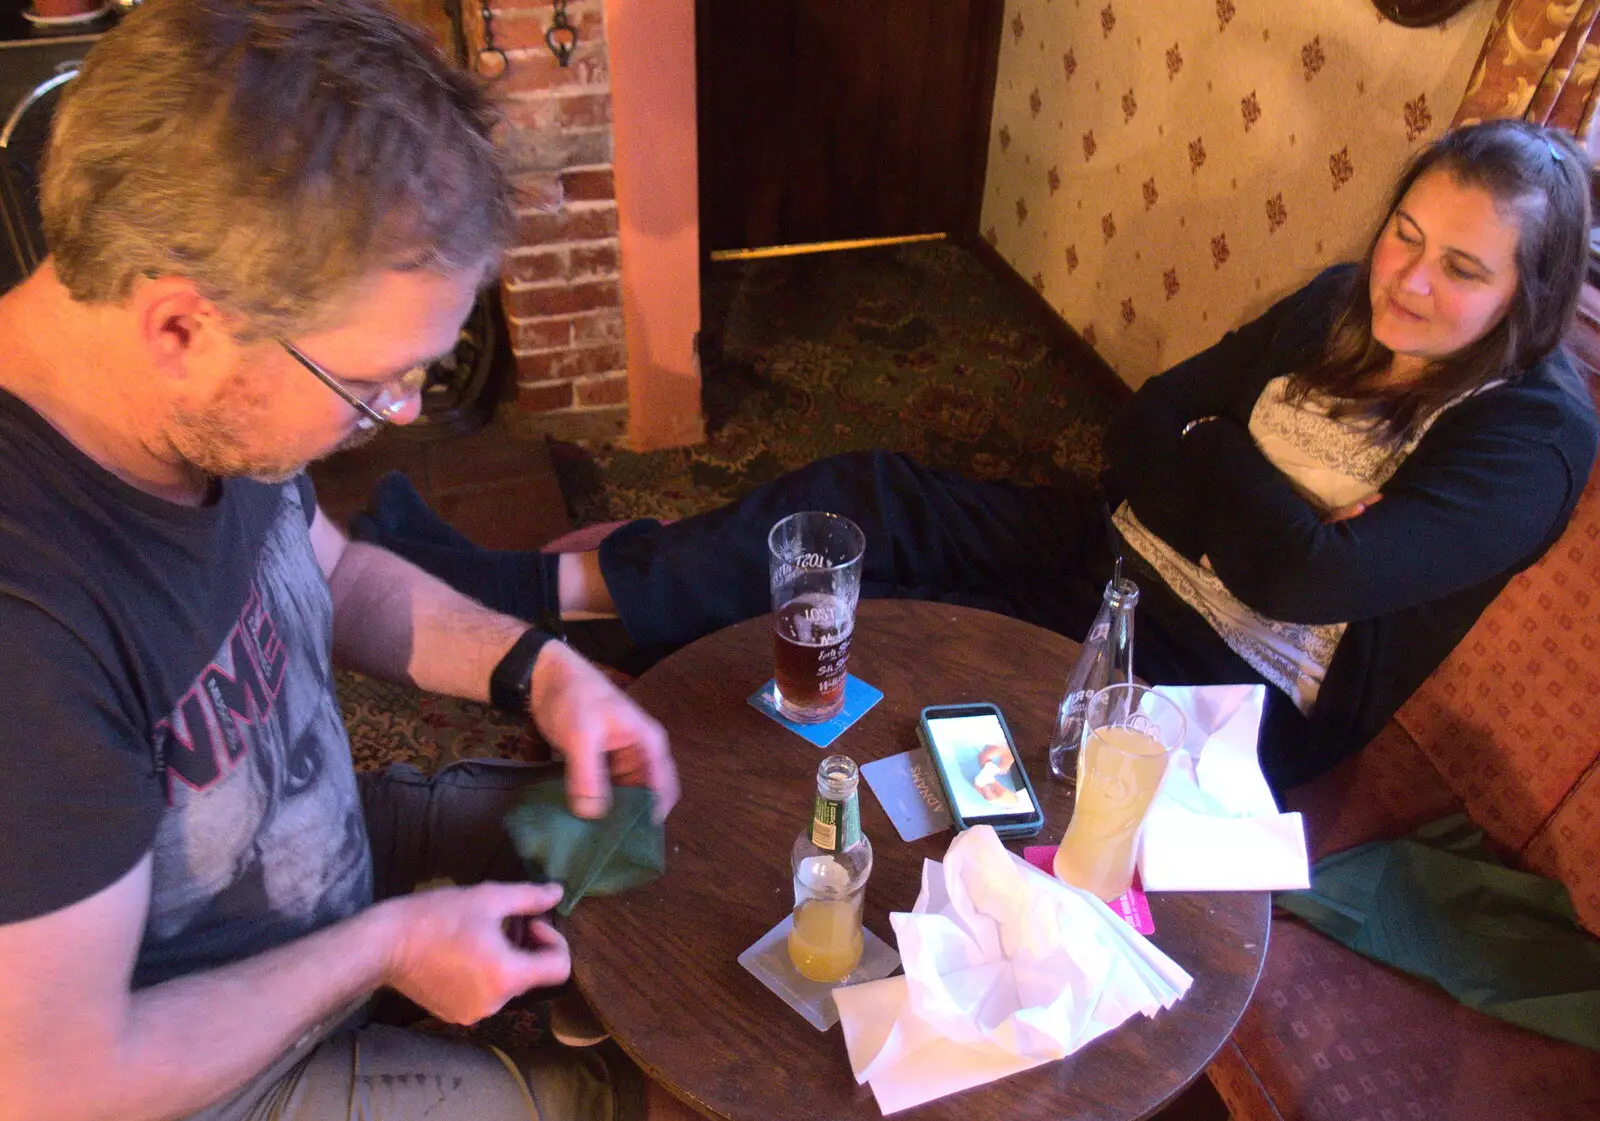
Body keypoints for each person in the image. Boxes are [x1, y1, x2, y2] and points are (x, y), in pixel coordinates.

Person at [0, 3, 732, 1121]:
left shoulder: (189, 403)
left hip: (302, 861)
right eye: (372, 381)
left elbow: (330, 573)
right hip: (156, 1106)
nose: (391, 417)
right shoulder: (25, 626)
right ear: (182, 322)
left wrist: (542, 670)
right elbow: (39, 1111)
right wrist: (382, 948)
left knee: (670, 841)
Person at [360, 119, 1599, 795]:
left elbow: (1295, 587)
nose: (1409, 278)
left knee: (912, 663)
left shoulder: (1531, 438)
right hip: (1122, 548)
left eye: (1462, 267)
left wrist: (1216, 452)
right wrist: (1253, 490)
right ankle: (545, 598)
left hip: (1224, 691)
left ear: (1526, 292)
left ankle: (616, 640)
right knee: (868, 500)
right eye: (1405, 232)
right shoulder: (1341, 298)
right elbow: (1145, 423)